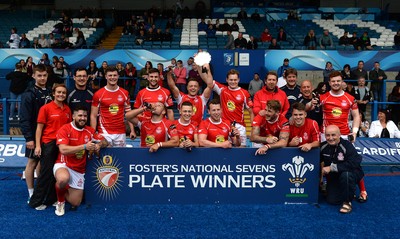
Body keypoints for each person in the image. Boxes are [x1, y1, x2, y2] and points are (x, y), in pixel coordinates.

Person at [54, 106, 108, 216]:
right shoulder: (65, 129)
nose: (82, 118)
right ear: (73, 116)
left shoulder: (89, 130)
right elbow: (63, 149)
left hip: (79, 169)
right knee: (63, 178)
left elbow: (106, 141)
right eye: (80, 115)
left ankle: (62, 188)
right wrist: (84, 146)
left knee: (76, 202)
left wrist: (99, 145)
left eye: (84, 116)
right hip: (63, 164)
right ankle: (60, 202)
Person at [29, 84, 72, 210]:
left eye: (63, 93)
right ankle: (36, 202)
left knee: (56, 174)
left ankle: (51, 199)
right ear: (53, 93)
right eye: (58, 92)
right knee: (45, 174)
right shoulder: (45, 108)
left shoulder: (68, 110)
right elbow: (39, 129)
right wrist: (38, 146)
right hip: (48, 143)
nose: (61, 95)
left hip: (62, 144)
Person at [20, 64, 52, 203]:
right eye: (39, 75)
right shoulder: (29, 94)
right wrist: (29, 138)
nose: (42, 78)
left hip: (48, 135)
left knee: (42, 164)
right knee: (32, 163)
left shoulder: (51, 92)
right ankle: (31, 193)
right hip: (34, 135)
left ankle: (41, 190)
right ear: (33, 76)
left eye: (44, 75)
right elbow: (24, 118)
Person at [320, 125, 364, 214]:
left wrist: (332, 167)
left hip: (350, 174)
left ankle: (347, 202)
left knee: (346, 175)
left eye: (333, 135)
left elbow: (354, 163)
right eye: (327, 135)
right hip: (334, 177)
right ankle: (348, 191)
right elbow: (316, 161)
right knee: (332, 201)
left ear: (339, 135)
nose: (330, 138)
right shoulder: (323, 147)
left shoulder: (347, 145)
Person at [204, 68, 253, 147]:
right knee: (225, 149)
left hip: (239, 126)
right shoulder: (222, 90)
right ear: (226, 80)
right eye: (231, 80)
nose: (233, 82)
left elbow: (251, 111)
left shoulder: (244, 93)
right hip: (224, 126)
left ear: (239, 80)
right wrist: (205, 68)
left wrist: (252, 129)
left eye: (235, 80)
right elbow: (209, 82)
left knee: (240, 152)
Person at [90, 66, 135, 147]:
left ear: (118, 76)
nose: (112, 78)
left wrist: (132, 130)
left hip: (120, 132)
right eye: (110, 75)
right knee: (105, 158)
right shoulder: (98, 94)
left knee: (120, 158)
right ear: (106, 76)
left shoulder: (124, 93)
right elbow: (93, 115)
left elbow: (129, 113)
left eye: (115, 75)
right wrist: (93, 133)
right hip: (104, 132)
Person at [320, 71, 360, 142]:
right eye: (333, 81)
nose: (336, 83)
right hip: (326, 135)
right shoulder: (322, 97)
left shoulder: (350, 98)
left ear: (342, 82)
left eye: (338, 81)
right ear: (329, 83)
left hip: (344, 135)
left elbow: (356, 116)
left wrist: (354, 132)